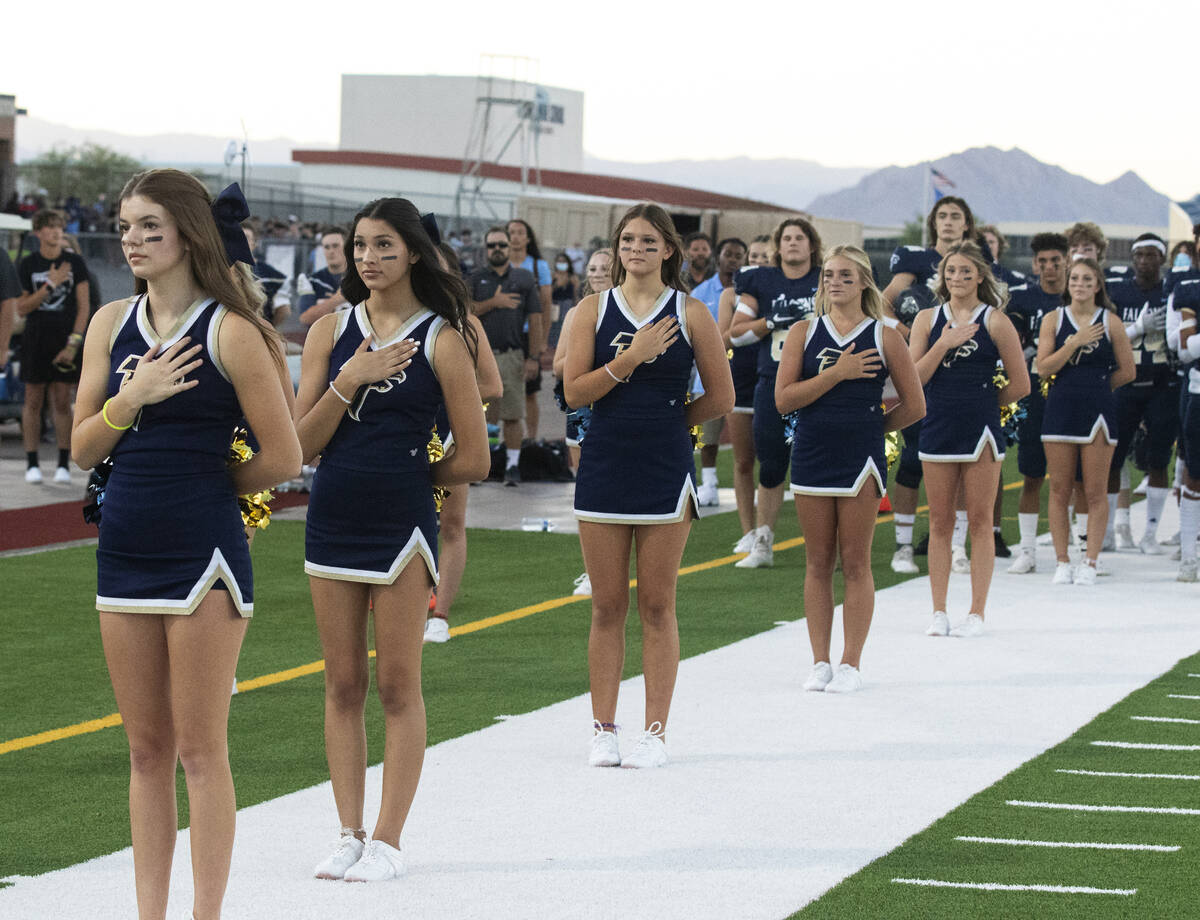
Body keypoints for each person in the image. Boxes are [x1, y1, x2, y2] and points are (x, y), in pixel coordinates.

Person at [71, 170, 301, 920]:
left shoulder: (232, 329)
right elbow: (80, 447)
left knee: (200, 753)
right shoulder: (110, 324)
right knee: (144, 753)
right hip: (124, 551)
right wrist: (129, 400)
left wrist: (212, 490)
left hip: (202, 554)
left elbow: (285, 455)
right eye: (126, 225)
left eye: (149, 227)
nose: (133, 239)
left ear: (188, 236)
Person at [295, 197, 489, 881]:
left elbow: (475, 457)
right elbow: (299, 446)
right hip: (332, 518)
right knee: (342, 684)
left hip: (402, 524)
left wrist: (411, 477)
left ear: (411, 252)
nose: (368, 259)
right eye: (359, 247)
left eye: (383, 246)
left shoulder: (442, 336)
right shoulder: (329, 334)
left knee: (397, 684)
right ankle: (347, 832)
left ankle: (388, 841)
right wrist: (351, 379)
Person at [564, 203, 733, 768]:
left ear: (668, 250)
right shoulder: (590, 310)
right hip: (605, 464)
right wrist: (630, 360)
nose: (635, 249)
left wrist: (670, 422)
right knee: (607, 606)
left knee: (658, 605)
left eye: (647, 240)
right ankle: (603, 728)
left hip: (664, 467)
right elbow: (573, 393)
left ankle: (655, 732)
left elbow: (722, 396)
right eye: (627, 240)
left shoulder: (692, 312)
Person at [776, 245, 923, 691]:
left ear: (864, 283)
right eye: (828, 275)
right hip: (811, 454)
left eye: (845, 275)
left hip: (861, 460)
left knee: (855, 562)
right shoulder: (803, 332)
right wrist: (835, 375)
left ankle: (851, 663)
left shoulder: (885, 335)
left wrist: (875, 429)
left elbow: (915, 404)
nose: (834, 282)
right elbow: (784, 400)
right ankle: (819, 660)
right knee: (817, 562)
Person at [909, 242, 1029, 637]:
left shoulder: (996, 321)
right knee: (940, 521)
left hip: (981, 431)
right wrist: (944, 343)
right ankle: (938, 611)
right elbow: (914, 379)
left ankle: (976, 613)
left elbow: (1021, 383)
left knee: (980, 521)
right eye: (950, 272)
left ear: (980, 276)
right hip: (937, 425)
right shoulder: (927, 320)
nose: (957, 278)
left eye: (965, 271)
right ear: (941, 278)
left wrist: (984, 404)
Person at [882, 196, 980, 575]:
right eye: (943, 215)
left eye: (956, 215)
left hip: (964, 371)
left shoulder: (975, 262)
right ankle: (904, 545)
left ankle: (956, 545)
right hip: (921, 365)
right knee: (912, 458)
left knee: (959, 459)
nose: (949, 221)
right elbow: (884, 301)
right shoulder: (917, 261)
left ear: (967, 224)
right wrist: (910, 332)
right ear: (933, 222)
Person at [727, 218, 823, 568]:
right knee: (771, 464)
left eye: (800, 237)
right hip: (775, 382)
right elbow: (735, 334)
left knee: (823, 465)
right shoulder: (760, 281)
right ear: (777, 247)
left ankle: (830, 544)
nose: (793, 243)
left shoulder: (828, 279)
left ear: (812, 245)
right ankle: (764, 540)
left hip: (823, 382)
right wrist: (770, 321)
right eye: (787, 238)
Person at [1038, 257, 1135, 585]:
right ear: (1068, 284)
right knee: (1059, 489)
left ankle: (1090, 561)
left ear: (1097, 286)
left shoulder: (1111, 322)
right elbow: (1043, 367)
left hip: (1098, 413)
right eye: (1074, 278)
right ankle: (1063, 560)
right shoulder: (1053, 319)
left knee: (1094, 490)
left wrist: (1097, 389)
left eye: (1086, 279)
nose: (1079, 284)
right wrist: (1074, 343)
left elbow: (1128, 370)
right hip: (1060, 410)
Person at [425, 241, 503, 643]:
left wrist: (455, 399)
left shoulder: (464, 322)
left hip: (451, 435)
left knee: (451, 525)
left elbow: (492, 384)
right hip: (397, 438)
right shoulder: (383, 320)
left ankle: (441, 614)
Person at [1104, 234, 1176, 554]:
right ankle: (1107, 532)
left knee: (1159, 459)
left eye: (1151, 255)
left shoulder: (1171, 292)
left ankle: (1149, 533)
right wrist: (1137, 328)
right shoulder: (1118, 290)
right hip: (1125, 382)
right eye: (1139, 256)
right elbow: (1105, 335)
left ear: (1162, 258)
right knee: (1113, 458)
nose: (1144, 261)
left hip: (1163, 383)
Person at [1006, 233, 1072, 574]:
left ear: (1067, 261)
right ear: (1034, 265)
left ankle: (1076, 543)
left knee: (1073, 476)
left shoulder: (1080, 296)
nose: (1049, 268)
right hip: (1034, 393)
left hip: (1072, 394)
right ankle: (1028, 550)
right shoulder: (1023, 299)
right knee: (1032, 473)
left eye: (1055, 261)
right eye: (1042, 262)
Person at [16, 209, 91, 484]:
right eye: (49, 227)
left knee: (62, 400)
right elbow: (22, 308)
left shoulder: (74, 262)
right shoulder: (27, 264)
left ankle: (62, 463)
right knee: (33, 399)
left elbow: (84, 307)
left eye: (59, 226)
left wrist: (74, 343)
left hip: (65, 337)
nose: (56, 231)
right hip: (35, 339)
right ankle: (32, 463)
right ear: (38, 233)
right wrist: (50, 284)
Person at [467, 226, 541, 485]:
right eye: (491, 245)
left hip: (512, 356)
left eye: (501, 245)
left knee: (513, 413)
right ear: (485, 249)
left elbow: (535, 318)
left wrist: (534, 357)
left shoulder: (523, 278)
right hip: (480, 357)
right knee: (480, 414)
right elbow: (464, 312)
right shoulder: (475, 278)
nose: (496, 249)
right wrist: (493, 303)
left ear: (510, 248)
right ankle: (480, 467)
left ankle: (511, 466)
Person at [718, 235, 771, 550]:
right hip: (740, 380)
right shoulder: (731, 295)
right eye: (755, 256)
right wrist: (763, 324)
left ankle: (766, 530)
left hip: (775, 380)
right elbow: (723, 339)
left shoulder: (783, 295)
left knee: (772, 461)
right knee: (743, 461)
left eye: (766, 257)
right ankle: (748, 530)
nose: (759, 262)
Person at [690, 237, 748, 506]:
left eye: (739, 255)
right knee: (708, 436)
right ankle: (709, 484)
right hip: (709, 374)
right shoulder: (701, 292)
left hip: (743, 375)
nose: (733, 259)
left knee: (748, 439)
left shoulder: (750, 292)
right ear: (719, 257)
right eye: (729, 254)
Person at [507, 218, 550, 441]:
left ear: (527, 238)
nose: (515, 236)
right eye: (511, 232)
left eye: (519, 232)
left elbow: (545, 304)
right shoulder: (498, 264)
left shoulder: (537, 266)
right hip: (503, 335)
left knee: (529, 392)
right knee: (498, 392)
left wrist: (541, 340)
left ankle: (531, 439)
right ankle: (495, 443)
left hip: (527, 335)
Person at [1169, 275, 1200, 581]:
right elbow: (1187, 346)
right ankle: (1189, 556)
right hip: (1199, 389)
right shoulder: (1191, 289)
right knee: (1195, 472)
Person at [241, 223, 290, 328]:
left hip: (259, 333)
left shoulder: (272, 276)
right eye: (236, 236)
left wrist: (268, 329)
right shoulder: (220, 272)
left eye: (246, 237)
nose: (240, 241)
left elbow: (284, 309)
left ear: (254, 243)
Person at [298, 227, 349, 325]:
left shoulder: (363, 278)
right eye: (326, 247)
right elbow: (305, 319)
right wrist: (339, 297)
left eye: (335, 246)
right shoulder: (310, 280)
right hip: (322, 339)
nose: (331, 251)